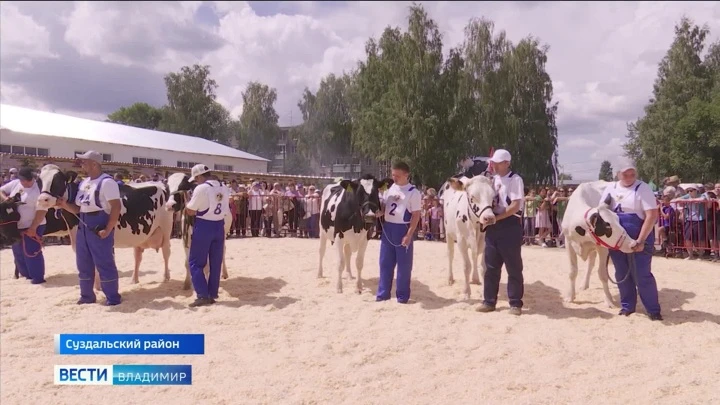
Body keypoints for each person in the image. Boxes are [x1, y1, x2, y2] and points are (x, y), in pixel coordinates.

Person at [56, 151, 122, 305]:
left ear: (94, 164)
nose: (82, 164)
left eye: (85, 161)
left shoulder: (107, 182)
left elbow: (116, 207)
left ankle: (112, 297)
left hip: (99, 223)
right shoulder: (84, 183)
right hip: (83, 225)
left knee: (104, 262)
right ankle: (86, 296)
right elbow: (79, 209)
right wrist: (64, 204)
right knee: (83, 262)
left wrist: (109, 228)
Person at [599, 160, 662, 321]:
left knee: (642, 274)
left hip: (638, 233)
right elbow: (602, 213)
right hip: (616, 237)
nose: (629, 177)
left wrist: (640, 240)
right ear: (618, 174)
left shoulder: (643, 188)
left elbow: (651, 215)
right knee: (621, 272)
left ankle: (653, 310)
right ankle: (627, 306)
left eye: (632, 174)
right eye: (625, 174)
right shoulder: (610, 188)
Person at [477, 149, 526, 316]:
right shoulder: (492, 180)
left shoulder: (515, 180)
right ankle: (489, 301)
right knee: (490, 266)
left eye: (497, 163)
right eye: (493, 162)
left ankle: (515, 303)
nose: (494, 165)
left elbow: (515, 206)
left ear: (507, 163)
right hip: (493, 224)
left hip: (509, 225)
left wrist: (497, 219)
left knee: (513, 267)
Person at [185, 164, 230, 307]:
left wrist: (186, 203)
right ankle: (212, 293)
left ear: (199, 176)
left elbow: (191, 210)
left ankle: (202, 295)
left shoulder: (202, 188)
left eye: (196, 179)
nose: (196, 182)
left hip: (204, 225)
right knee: (215, 263)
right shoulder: (224, 187)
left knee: (195, 262)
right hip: (219, 225)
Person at [377, 161, 422, 303]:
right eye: (392, 175)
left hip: (402, 228)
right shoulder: (389, 189)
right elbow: (385, 206)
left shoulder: (413, 192)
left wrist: (409, 234)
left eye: (397, 175)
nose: (394, 178)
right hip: (388, 228)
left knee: (404, 265)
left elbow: (416, 215)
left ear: (406, 175)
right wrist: (379, 212)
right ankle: (383, 294)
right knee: (385, 262)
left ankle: (402, 296)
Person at [0, 168, 48, 284]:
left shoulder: (39, 189)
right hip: (16, 225)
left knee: (31, 252)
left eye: (30, 179)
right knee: (18, 252)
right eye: (24, 180)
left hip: (34, 224)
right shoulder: (15, 183)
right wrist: (6, 199)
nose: (28, 182)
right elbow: (1, 190)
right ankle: (26, 275)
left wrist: (33, 228)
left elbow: (42, 210)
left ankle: (37, 278)